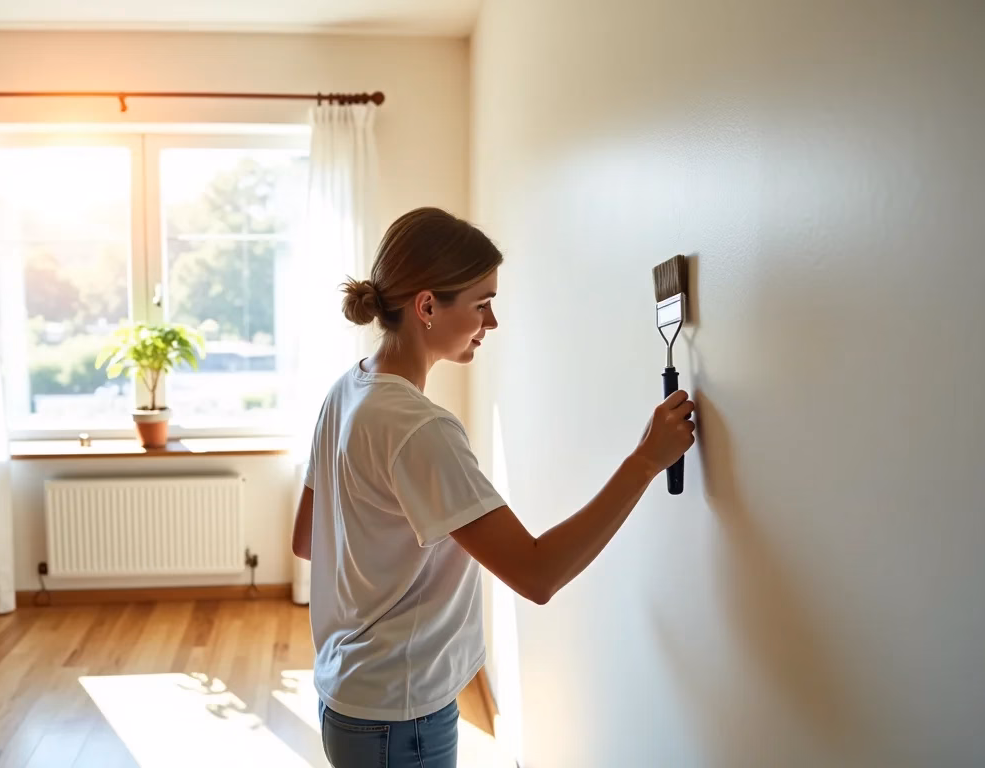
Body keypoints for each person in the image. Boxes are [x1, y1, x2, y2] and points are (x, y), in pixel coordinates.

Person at [292, 207, 696, 767]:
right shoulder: (419, 428)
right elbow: (536, 574)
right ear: (428, 306)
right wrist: (646, 461)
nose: (493, 322)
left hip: (350, 698)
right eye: (482, 304)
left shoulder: (347, 389)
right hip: (398, 716)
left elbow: (307, 541)